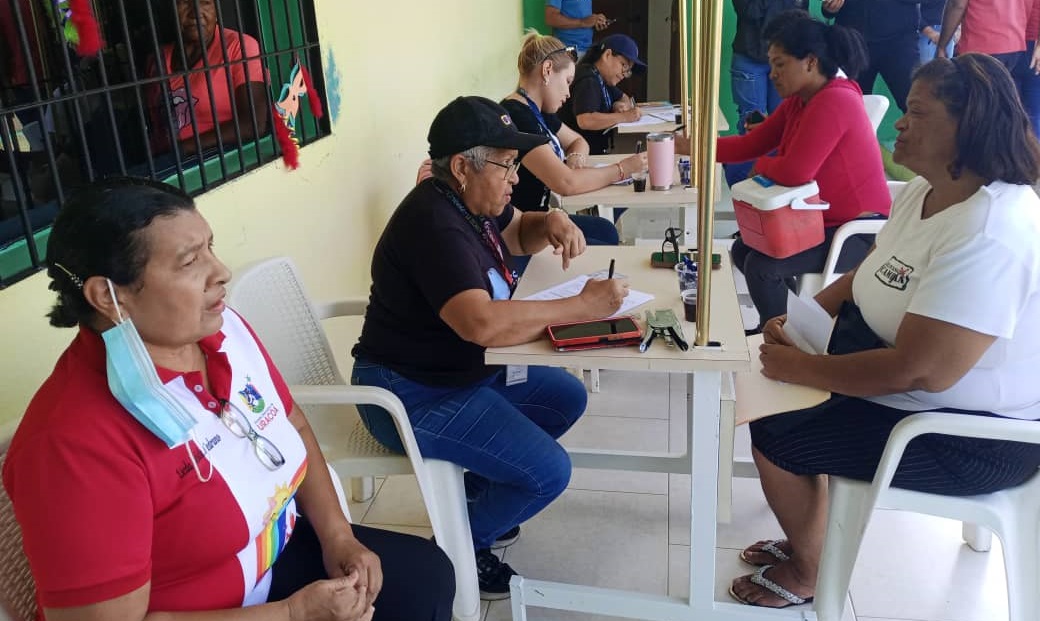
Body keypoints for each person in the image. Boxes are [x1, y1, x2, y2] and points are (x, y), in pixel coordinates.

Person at [2, 177, 455, 621]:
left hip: (272, 558)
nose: (221, 272)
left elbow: (293, 423)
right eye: (189, 261)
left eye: (211, 248)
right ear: (108, 295)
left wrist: (338, 536)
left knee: (426, 578)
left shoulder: (222, 331)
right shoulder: (72, 444)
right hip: (215, 608)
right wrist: (292, 613)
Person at [729, 53, 1040, 609]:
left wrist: (806, 368)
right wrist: (803, 317)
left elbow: (921, 370)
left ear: (966, 127)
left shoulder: (992, 230)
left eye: (917, 113)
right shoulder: (927, 191)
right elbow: (868, 272)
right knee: (770, 389)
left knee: (775, 430)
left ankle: (810, 570)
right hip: (909, 389)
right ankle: (811, 535)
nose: (899, 122)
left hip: (970, 436)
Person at [350, 96, 630, 600]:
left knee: (565, 397)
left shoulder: (469, 204)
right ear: (462, 167)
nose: (515, 178)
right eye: (506, 165)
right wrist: (581, 307)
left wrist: (550, 222)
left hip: (456, 372)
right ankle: (459, 545)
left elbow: (517, 233)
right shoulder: (434, 224)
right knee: (547, 474)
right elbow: (481, 324)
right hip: (408, 395)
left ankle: (472, 502)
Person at [716, 12, 890, 331]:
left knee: (763, 266)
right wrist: (696, 148)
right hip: (820, 221)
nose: (772, 74)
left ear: (810, 62)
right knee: (744, 249)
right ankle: (788, 324)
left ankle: (782, 335)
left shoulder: (835, 100)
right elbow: (752, 143)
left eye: (780, 64)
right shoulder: (800, 101)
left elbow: (795, 171)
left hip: (858, 231)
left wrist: (762, 166)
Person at [501, 32, 647, 246]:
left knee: (605, 230)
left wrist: (575, 157)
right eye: (567, 81)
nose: (569, 93)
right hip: (521, 230)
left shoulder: (539, 111)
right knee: (604, 243)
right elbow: (566, 183)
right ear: (547, 70)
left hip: (539, 219)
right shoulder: (518, 117)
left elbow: (578, 141)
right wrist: (622, 169)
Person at [146, 0, 269, 159]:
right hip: (164, 166)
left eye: (205, 3)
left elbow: (254, 123)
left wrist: (183, 149)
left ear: (217, 10)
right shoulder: (158, 59)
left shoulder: (238, 47)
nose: (196, 13)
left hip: (220, 162)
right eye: (185, 3)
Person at [723, 0, 807, 187]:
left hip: (787, 58)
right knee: (752, 124)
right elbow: (749, 11)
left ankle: (778, 189)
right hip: (750, 56)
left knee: (787, 126)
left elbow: (800, 16)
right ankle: (749, 190)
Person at [822, 0, 920, 112]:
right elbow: (828, 9)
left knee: (917, 104)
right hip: (853, 41)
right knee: (849, 107)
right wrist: (830, 7)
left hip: (899, 42)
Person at [557, 33, 646, 156]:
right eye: (624, 65)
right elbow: (585, 120)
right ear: (607, 55)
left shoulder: (603, 79)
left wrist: (618, 105)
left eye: (628, 71)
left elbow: (624, 97)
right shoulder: (588, 79)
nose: (624, 74)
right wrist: (624, 116)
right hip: (578, 155)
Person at [544, 0, 609, 57]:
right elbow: (551, 18)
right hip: (567, 51)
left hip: (588, 49)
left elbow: (581, 14)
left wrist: (596, 20)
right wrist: (582, 22)